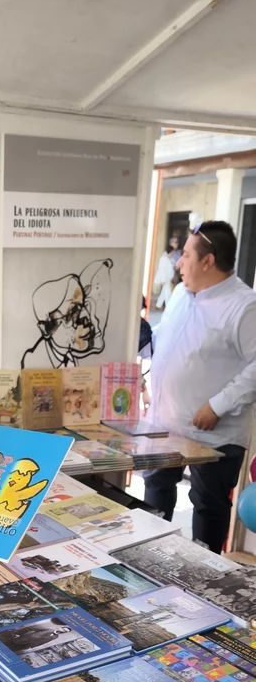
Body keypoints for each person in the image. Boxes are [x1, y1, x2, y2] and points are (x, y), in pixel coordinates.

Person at [144, 220, 256, 554]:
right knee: (156, 496)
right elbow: (167, 343)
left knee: (208, 507)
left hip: (213, 433)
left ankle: (207, 581)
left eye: (187, 255)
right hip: (165, 426)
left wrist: (218, 405)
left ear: (208, 261)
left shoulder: (244, 306)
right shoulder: (181, 294)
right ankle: (150, 562)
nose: (178, 262)